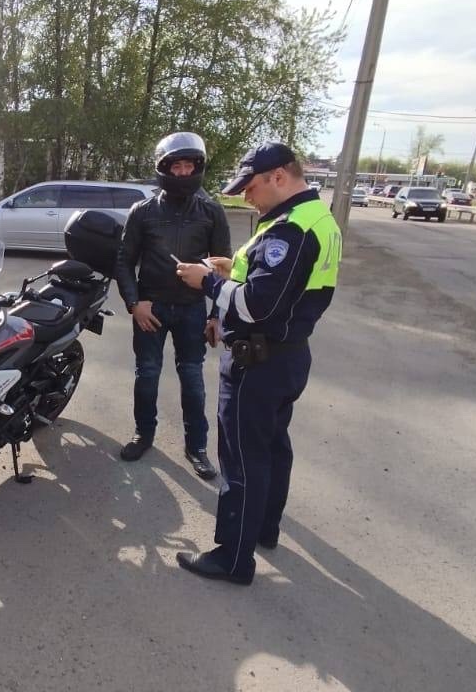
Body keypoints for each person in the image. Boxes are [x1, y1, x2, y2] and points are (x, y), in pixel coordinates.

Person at [174, 142, 341, 585]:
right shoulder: (316, 218)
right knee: (272, 448)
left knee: (242, 460)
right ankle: (264, 528)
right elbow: (284, 286)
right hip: (287, 355)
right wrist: (233, 267)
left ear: (278, 177)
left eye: (250, 188)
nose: (247, 197)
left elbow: (256, 305)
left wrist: (207, 282)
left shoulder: (291, 230)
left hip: (257, 362)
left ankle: (233, 558)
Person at [114, 131, 231, 481]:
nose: (183, 172)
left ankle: (197, 447)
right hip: (151, 308)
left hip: (193, 309)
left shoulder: (211, 211)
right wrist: (134, 303)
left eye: (189, 166)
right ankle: (143, 434)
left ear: (197, 168)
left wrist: (216, 315)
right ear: (164, 169)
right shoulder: (143, 211)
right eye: (176, 166)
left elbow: (224, 268)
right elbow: (123, 262)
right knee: (147, 374)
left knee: (192, 377)